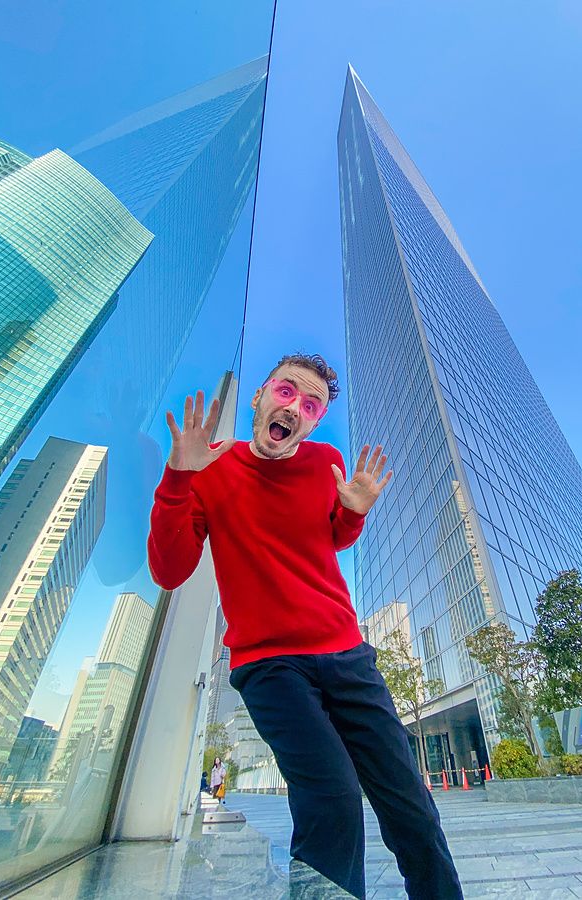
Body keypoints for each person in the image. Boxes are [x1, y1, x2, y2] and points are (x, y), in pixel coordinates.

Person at [147, 353, 463, 900]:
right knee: (332, 797)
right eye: (287, 392)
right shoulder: (208, 469)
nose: (295, 408)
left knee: (409, 801)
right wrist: (178, 479)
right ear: (261, 396)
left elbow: (331, 537)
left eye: (310, 406)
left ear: (315, 422)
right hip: (268, 665)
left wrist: (355, 510)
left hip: (347, 654)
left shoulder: (324, 464)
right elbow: (170, 570)